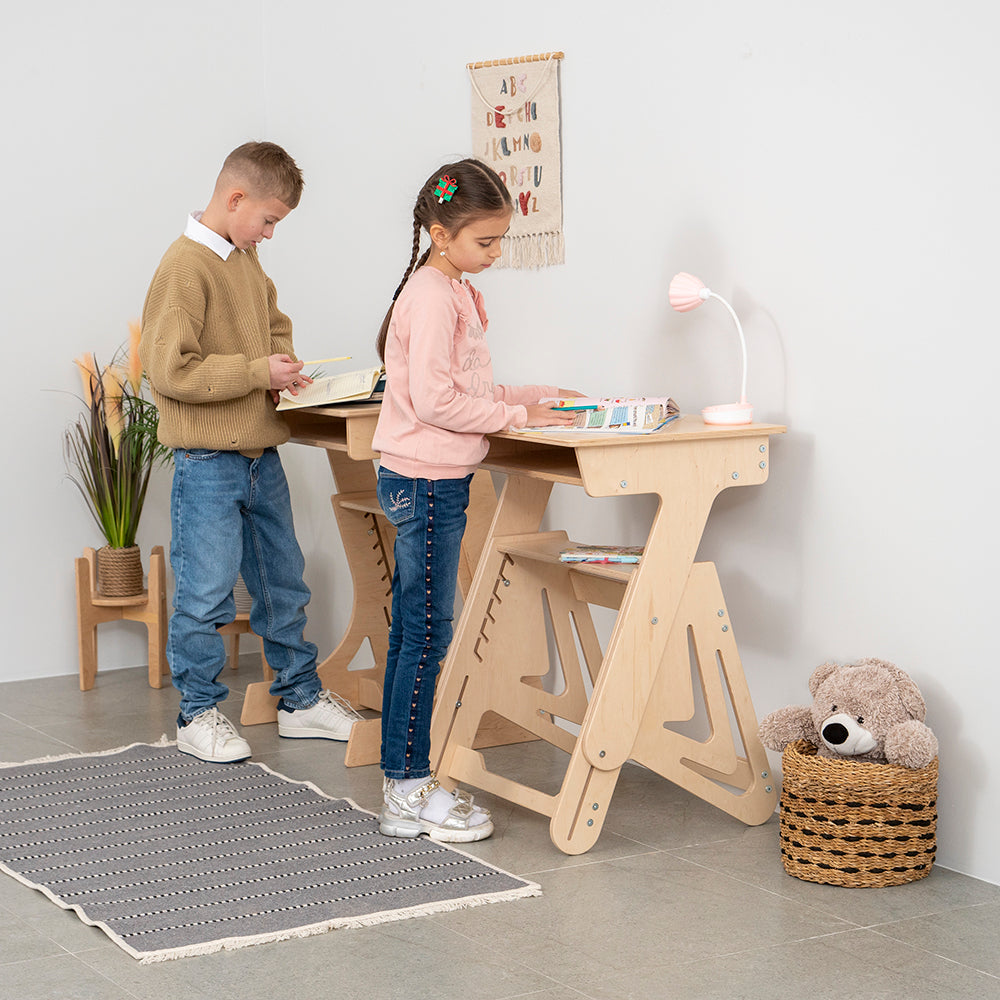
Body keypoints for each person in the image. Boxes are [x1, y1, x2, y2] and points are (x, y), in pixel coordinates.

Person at [371, 158, 578, 842]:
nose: (495, 254)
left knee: (415, 633)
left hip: (432, 480)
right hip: (427, 484)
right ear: (439, 233)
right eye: (486, 242)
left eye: (499, 241)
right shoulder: (431, 294)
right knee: (426, 637)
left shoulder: (449, 287)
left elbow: (464, 389)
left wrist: (532, 398)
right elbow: (435, 401)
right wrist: (515, 419)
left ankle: (404, 781)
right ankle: (406, 789)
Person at [140, 141, 360, 763]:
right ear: (235, 199)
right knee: (205, 592)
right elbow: (169, 370)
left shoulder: (245, 261)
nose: (269, 234)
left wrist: (282, 365)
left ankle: (299, 700)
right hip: (208, 460)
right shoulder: (184, 266)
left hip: (262, 454)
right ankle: (198, 712)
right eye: (268, 220)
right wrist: (255, 372)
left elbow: (274, 324)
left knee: (282, 582)